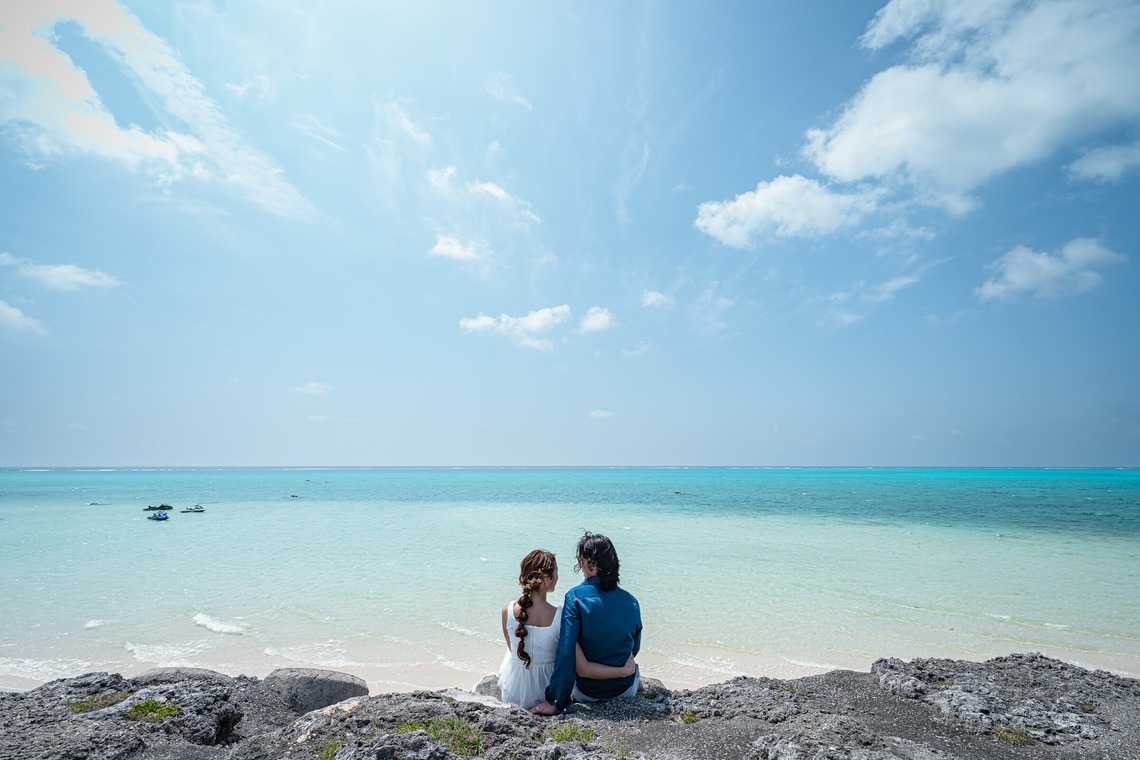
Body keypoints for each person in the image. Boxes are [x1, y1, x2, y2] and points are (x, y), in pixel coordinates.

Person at [497, 549, 634, 710]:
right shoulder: (560, 616)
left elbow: (513, 651)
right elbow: (582, 667)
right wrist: (624, 670)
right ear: (547, 580)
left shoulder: (507, 611)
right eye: (556, 572)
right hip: (546, 693)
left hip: (513, 689)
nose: (557, 576)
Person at [531, 532, 642, 715]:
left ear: (592, 564)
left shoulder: (574, 598)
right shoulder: (632, 602)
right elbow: (634, 649)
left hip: (586, 693)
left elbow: (566, 653)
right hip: (625, 689)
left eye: (581, 560)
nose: (581, 566)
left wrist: (556, 701)